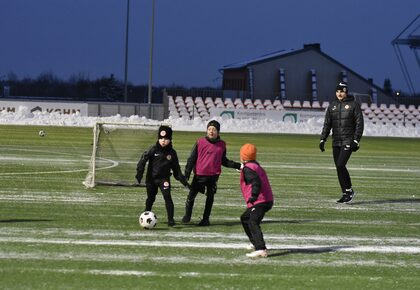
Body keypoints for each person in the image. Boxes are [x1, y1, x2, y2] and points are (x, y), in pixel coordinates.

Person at [182, 120, 241, 226]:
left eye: (214, 130)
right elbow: (191, 159)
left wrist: (237, 165)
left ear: (218, 132)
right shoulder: (200, 142)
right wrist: (186, 174)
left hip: (213, 176)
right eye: (209, 129)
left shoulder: (222, 145)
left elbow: (224, 161)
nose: (211, 131)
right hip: (199, 175)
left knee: (210, 198)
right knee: (191, 196)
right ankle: (187, 216)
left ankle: (205, 219)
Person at [319, 82, 364, 203]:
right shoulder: (332, 106)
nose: (340, 93)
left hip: (348, 140)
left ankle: (349, 190)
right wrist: (323, 139)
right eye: (338, 91)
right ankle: (345, 193)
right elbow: (327, 124)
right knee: (338, 168)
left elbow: (360, 124)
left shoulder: (354, 105)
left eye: (342, 91)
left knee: (340, 164)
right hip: (336, 141)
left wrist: (355, 140)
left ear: (346, 92)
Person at [136, 125, 189, 227]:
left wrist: (183, 181)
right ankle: (145, 215)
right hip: (151, 179)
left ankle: (170, 219)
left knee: (167, 197)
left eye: (166, 139)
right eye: (161, 138)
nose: (163, 141)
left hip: (164, 179)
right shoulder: (153, 149)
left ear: (170, 139)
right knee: (151, 198)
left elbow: (176, 170)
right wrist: (139, 172)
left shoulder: (172, 153)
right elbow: (143, 159)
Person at [239, 143, 274, 258]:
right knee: (245, 218)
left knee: (253, 221)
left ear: (243, 157)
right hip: (266, 200)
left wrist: (254, 196)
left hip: (260, 201)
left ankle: (261, 248)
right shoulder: (255, 166)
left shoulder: (248, 169)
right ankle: (255, 243)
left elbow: (256, 182)